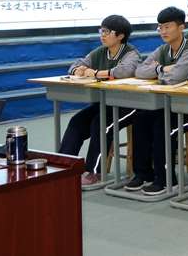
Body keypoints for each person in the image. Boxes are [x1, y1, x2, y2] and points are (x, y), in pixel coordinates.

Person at [59, 15, 140, 186]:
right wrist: (78, 70)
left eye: (107, 32)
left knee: (100, 125)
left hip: (129, 105)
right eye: (101, 31)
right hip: (104, 103)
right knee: (76, 122)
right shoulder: (100, 51)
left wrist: (96, 73)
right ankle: (64, 167)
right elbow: (75, 65)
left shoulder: (130, 53)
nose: (102, 35)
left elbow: (124, 71)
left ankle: (95, 171)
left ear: (120, 36)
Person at [131, 7, 188, 195]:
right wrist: (162, 69)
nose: (163, 31)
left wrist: (160, 72)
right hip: (169, 105)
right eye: (160, 27)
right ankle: (143, 174)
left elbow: (176, 78)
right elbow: (139, 71)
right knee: (140, 119)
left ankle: (166, 179)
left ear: (181, 27)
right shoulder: (163, 49)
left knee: (163, 127)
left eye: (167, 27)